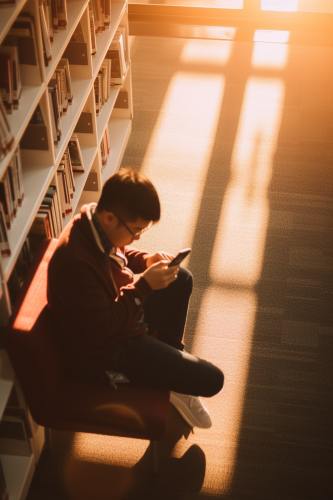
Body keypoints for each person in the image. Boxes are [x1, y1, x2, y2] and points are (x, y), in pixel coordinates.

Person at [47, 168, 224, 428]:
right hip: (108, 353)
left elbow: (119, 251)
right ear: (110, 218)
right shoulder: (76, 264)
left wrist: (145, 259)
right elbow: (103, 329)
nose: (137, 236)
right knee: (213, 380)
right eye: (137, 230)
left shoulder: (93, 220)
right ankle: (168, 377)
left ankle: (170, 371)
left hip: (124, 317)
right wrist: (143, 286)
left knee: (181, 278)